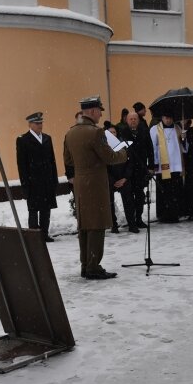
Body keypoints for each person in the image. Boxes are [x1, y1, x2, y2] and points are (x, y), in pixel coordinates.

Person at [64, 96, 127, 279]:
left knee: (84, 225)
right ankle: (94, 267)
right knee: (97, 225)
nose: (100, 114)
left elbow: (68, 160)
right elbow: (110, 158)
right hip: (96, 184)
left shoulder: (70, 133)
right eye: (99, 110)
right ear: (91, 111)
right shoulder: (96, 133)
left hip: (81, 185)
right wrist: (124, 152)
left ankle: (85, 264)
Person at [16, 112, 58, 242]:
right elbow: (22, 165)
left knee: (46, 210)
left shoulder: (47, 138)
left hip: (47, 181)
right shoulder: (23, 140)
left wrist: (54, 179)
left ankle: (44, 234)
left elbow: (52, 161)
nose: (40, 125)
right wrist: (25, 184)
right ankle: (34, 237)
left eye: (41, 123)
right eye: (37, 123)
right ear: (30, 124)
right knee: (33, 210)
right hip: (33, 182)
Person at [119, 111, 155, 228]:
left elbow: (150, 149)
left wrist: (151, 166)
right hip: (128, 170)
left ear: (138, 120)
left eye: (135, 119)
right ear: (127, 120)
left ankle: (139, 218)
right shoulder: (122, 133)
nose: (133, 121)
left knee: (140, 196)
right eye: (131, 119)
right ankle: (131, 222)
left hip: (141, 169)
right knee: (129, 197)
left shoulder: (144, 131)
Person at [150, 111, 185, 222]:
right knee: (164, 191)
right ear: (162, 117)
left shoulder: (178, 128)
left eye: (170, 118)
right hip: (161, 166)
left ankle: (175, 214)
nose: (168, 120)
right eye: (166, 118)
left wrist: (184, 139)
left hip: (175, 165)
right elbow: (153, 147)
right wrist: (154, 162)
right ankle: (163, 214)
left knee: (175, 191)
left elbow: (184, 148)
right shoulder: (155, 129)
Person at [106, 125, 138, 233]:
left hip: (124, 178)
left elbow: (130, 163)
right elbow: (103, 167)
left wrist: (125, 178)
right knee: (109, 203)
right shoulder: (103, 148)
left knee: (129, 201)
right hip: (110, 180)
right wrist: (112, 180)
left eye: (113, 132)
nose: (112, 134)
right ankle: (113, 225)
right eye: (109, 133)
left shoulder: (124, 146)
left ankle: (132, 224)